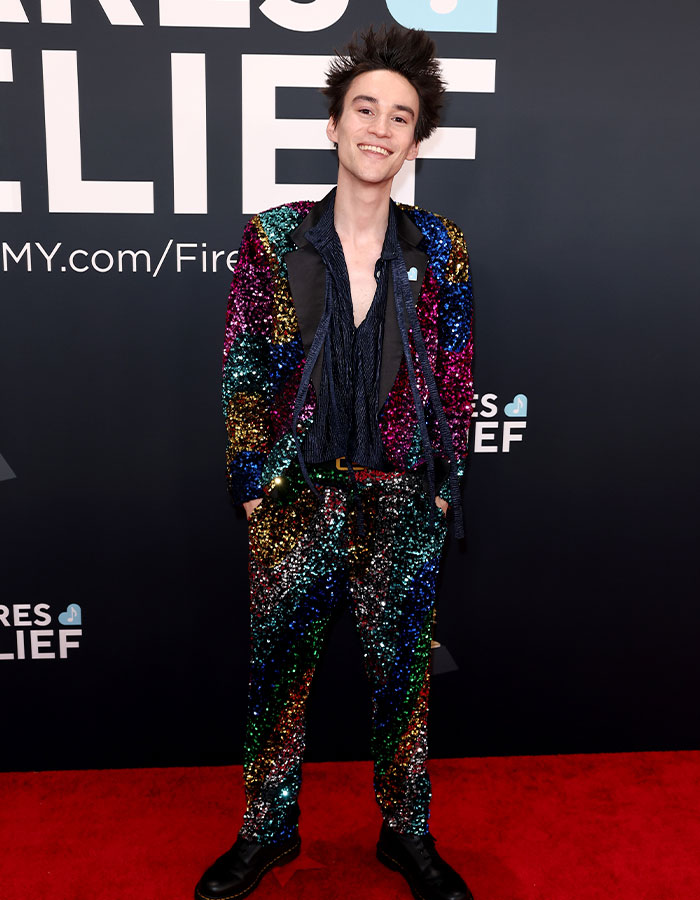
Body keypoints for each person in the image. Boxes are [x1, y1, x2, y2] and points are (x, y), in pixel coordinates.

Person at [195, 23, 475, 900]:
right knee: (279, 672)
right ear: (334, 123)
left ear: (416, 139)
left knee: (403, 680)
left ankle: (405, 832)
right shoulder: (273, 237)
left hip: (400, 495)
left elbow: (459, 371)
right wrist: (251, 481)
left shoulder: (441, 246)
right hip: (294, 494)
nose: (381, 128)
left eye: (401, 115)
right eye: (366, 108)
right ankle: (268, 831)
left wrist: (442, 486)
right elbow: (243, 364)